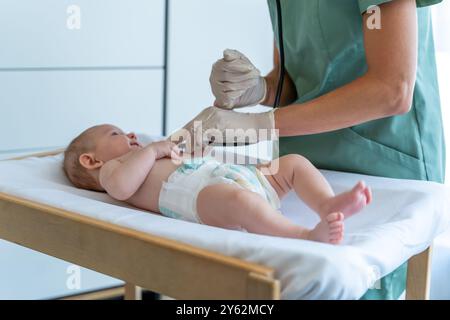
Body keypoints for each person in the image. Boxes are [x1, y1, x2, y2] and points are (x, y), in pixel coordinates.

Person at [63, 124, 372, 244]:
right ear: (91, 160)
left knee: (292, 165)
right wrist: (153, 149)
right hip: (201, 197)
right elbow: (121, 188)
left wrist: (199, 146)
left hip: (230, 174)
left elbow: (189, 156)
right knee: (241, 203)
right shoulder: (112, 170)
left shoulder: (145, 155)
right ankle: (304, 235)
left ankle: (325, 203)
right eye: (115, 135)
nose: (131, 135)